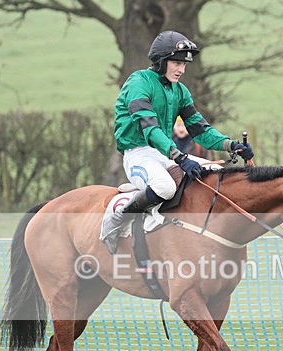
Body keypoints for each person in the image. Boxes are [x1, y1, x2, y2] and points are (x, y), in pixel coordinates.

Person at [103, 30, 254, 254]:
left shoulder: (180, 91)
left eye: (184, 64)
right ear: (161, 61)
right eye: (176, 63)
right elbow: (150, 129)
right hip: (139, 153)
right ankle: (119, 215)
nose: (181, 70)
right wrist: (179, 157)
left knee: (214, 172)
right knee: (164, 187)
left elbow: (200, 130)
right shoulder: (138, 83)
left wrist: (230, 145)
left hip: (164, 153)